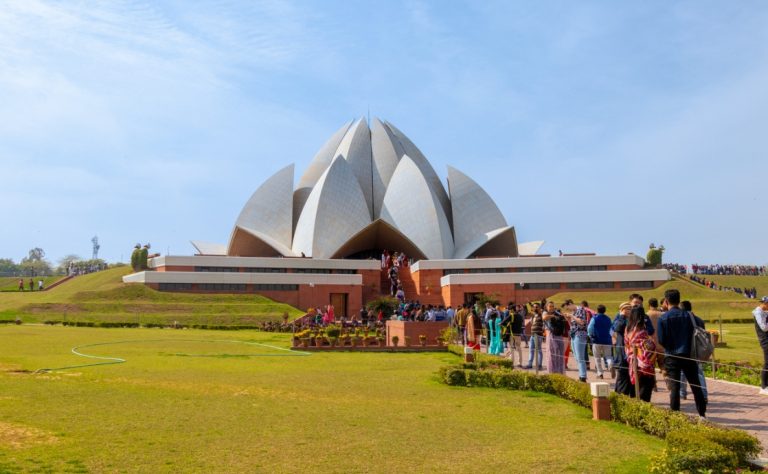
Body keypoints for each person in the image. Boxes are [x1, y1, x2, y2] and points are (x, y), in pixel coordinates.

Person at [658, 289, 707, 418]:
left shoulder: (663, 318)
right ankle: (702, 414)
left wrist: (669, 346)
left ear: (666, 301)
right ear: (679, 300)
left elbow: (661, 340)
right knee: (695, 385)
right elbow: (700, 327)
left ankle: (675, 415)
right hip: (689, 354)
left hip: (672, 355)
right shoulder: (689, 316)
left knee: (674, 387)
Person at [624, 306, 657, 402]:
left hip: (632, 363)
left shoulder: (627, 329)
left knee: (635, 390)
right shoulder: (641, 329)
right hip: (643, 365)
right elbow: (647, 346)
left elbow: (627, 345)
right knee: (645, 391)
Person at [678, 301, 708, 402]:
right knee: (699, 373)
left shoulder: (682, 320)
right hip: (697, 350)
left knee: (682, 373)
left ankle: (682, 393)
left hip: (685, 349)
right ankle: (704, 395)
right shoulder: (699, 319)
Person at [612, 302, 635, 397]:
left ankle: (620, 395)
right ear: (621, 310)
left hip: (630, 351)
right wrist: (621, 316)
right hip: (622, 352)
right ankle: (620, 396)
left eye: (630, 309)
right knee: (622, 375)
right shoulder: (619, 319)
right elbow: (617, 328)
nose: (628, 311)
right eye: (626, 309)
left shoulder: (632, 320)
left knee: (625, 377)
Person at [588, 304, 613, 379]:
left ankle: (600, 373)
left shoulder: (594, 318)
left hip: (597, 340)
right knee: (608, 356)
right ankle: (610, 364)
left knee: (597, 357)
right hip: (607, 340)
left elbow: (590, 328)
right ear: (604, 310)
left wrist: (590, 335)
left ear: (597, 310)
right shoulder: (608, 319)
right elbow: (611, 329)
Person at [543, 301, 566, 374]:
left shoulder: (557, 313)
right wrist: (553, 316)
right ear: (546, 307)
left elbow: (563, 319)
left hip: (559, 335)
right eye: (550, 306)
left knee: (560, 355)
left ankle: (560, 372)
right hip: (551, 335)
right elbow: (544, 318)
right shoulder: (545, 313)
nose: (551, 308)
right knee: (552, 354)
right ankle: (552, 372)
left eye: (552, 306)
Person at [568, 304, 589, 382]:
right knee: (576, 357)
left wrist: (571, 316)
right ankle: (581, 375)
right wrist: (569, 318)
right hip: (574, 334)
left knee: (580, 357)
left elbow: (581, 322)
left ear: (570, 304)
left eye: (568, 307)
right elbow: (573, 325)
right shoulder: (574, 312)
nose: (568, 309)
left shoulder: (580, 310)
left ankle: (583, 377)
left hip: (580, 334)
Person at [752, 296, 768, 395]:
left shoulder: (762, 312)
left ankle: (766, 385)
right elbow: (764, 327)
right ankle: (763, 387)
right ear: (765, 303)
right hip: (765, 341)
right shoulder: (758, 313)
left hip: (766, 339)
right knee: (767, 363)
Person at [525, 303, 544, 370]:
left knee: (539, 350)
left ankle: (539, 365)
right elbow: (531, 323)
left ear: (539, 308)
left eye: (537, 307)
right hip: (532, 335)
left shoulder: (541, 315)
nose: (535, 308)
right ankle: (530, 364)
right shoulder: (533, 316)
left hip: (538, 335)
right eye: (534, 307)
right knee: (531, 350)